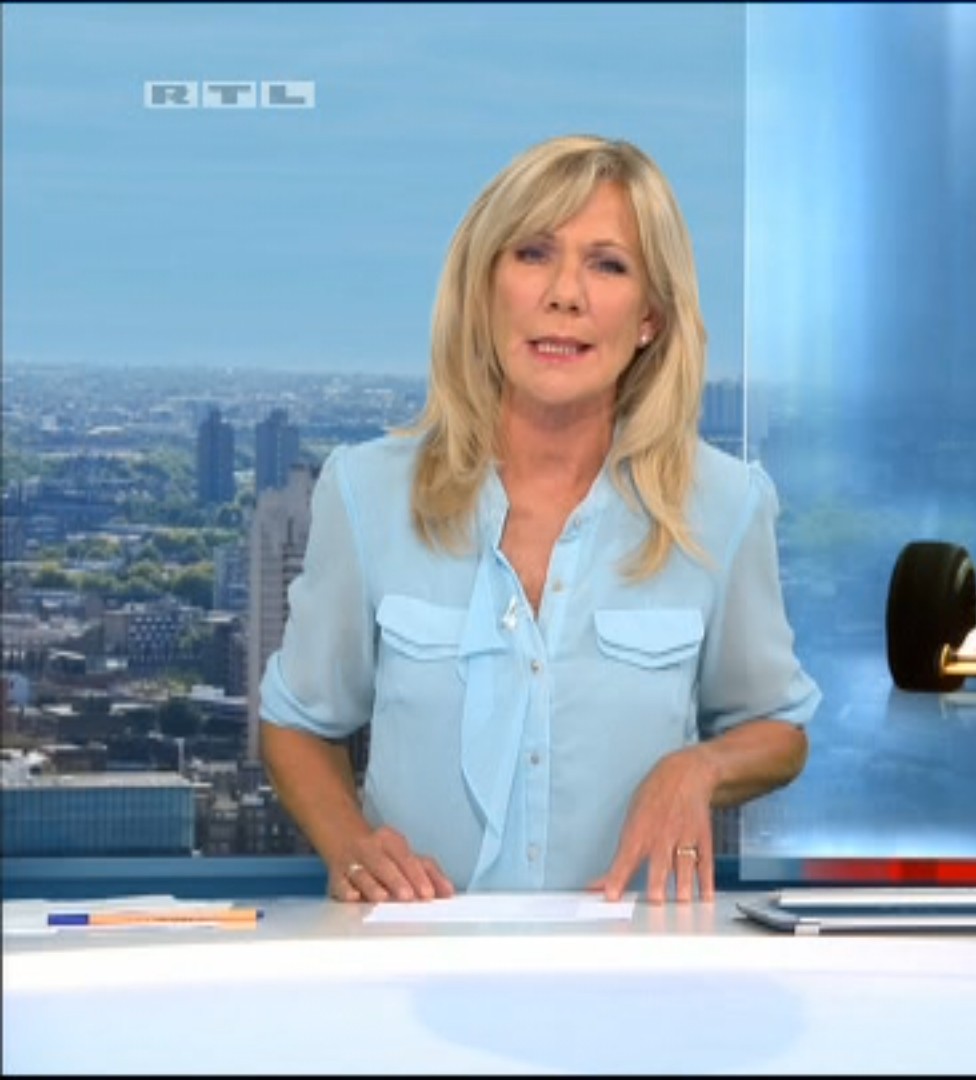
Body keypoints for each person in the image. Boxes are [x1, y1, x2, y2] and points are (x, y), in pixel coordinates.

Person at [259, 135, 819, 905]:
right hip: (412, 955)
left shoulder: (726, 505)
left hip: (634, 959)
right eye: (533, 254)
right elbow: (296, 720)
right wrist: (349, 844)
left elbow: (778, 728)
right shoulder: (365, 492)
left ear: (651, 317)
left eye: (608, 265)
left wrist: (700, 767)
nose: (565, 294)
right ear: (484, 288)